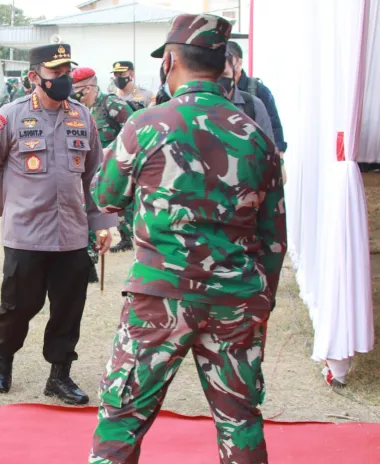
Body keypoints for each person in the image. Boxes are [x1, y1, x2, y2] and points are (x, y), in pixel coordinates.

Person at [89, 13, 286, 464]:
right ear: (224, 65)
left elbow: (106, 195)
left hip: (161, 296)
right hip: (236, 298)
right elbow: (274, 236)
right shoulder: (256, 137)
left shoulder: (146, 124)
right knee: (240, 418)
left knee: (122, 415)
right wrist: (261, 302)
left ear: (170, 60)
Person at [0, 43, 116, 405]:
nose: (65, 79)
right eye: (56, 73)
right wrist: (8, 205)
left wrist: (100, 222)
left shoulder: (82, 116)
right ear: (35, 77)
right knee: (18, 307)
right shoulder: (10, 115)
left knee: (69, 309)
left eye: (67, 72)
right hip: (26, 234)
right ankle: (3, 357)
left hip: (71, 233)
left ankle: (59, 374)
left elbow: (94, 174)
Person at [71, 66, 134, 272]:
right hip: (89, 170)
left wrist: (113, 152)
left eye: (77, 88)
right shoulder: (79, 109)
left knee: (113, 210)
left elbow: (133, 131)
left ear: (88, 88)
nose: (74, 92)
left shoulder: (111, 104)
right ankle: (89, 257)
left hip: (113, 169)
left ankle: (126, 238)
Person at [227, 41, 287, 155]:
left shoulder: (258, 90)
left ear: (239, 63)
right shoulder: (216, 88)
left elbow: (275, 129)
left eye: (230, 60)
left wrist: (278, 160)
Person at [219, 53, 275, 141]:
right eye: (214, 76)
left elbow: (268, 147)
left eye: (224, 75)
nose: (219, 81)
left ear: (233, 75)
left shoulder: (253, 105)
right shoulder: (195, 106)